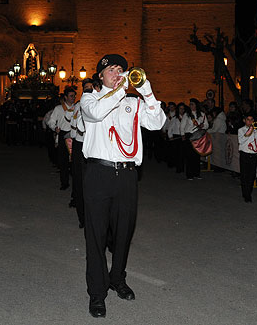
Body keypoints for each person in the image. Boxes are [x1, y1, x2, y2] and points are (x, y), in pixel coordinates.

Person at [80, 54, 165, 318]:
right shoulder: (89, 99)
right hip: (98, 173)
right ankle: (97, 292)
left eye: (121, 70)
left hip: (127, 175)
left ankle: (117, 278)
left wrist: (147, 92)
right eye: (112, 70)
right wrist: (118, 92)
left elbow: (157, 122)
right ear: (101, 76)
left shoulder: (133, 103)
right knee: (95, 236)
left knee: (123, 232)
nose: (118, 74)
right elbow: (95, 114)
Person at [70, 78, 94, 229]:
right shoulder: (78, 106)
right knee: (80, 183)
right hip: (81, 144)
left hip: (95, 147)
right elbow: (75, 126)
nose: (89, 90)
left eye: (92, 87)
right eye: (86, 88)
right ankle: (83, 218)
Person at [47, 86, 77, 190]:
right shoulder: (58, 109)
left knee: (74, 161)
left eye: (74, 96)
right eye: (71, 96)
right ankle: (64, 182)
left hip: (74, 136)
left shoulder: (77, 108)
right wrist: (55, 128)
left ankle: (76, 183)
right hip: (63, 135)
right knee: (63, 161)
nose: (73, 98)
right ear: (65, 97)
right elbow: (50, 121)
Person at [180, 98, 209, 180]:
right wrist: (182, 134)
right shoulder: (187, 115)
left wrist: (203, 126)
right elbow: (182, 125)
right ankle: (189, 174)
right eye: (190, 104)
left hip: (198, 136)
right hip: (189, 135)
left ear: (196, 105)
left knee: (197, 155)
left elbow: (207, 125)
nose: (190, 106)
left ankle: (196, 173)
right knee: (189, 155)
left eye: (192, 104)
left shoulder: (202, 114)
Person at [238, 113, 257, 203]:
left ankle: (249, 192)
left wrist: (255, 131)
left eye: (252, 120)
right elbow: (241, 140)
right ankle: (246, 194)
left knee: (251, 176)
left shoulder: (256, 130)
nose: (250, 121)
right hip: (244, 154)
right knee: (244, 175)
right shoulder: (241, 130)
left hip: (253, 155)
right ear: (244, 121)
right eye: (248, 120)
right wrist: (250, 130)